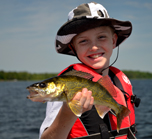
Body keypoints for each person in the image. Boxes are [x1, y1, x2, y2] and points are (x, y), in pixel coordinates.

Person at [39, 2, 139, 139]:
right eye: (83, 41)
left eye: (101, 37)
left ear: (114, 40)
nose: (94, 47)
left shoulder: (120, 81)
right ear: (73, 48)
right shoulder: (64, 85)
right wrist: (68, 112)